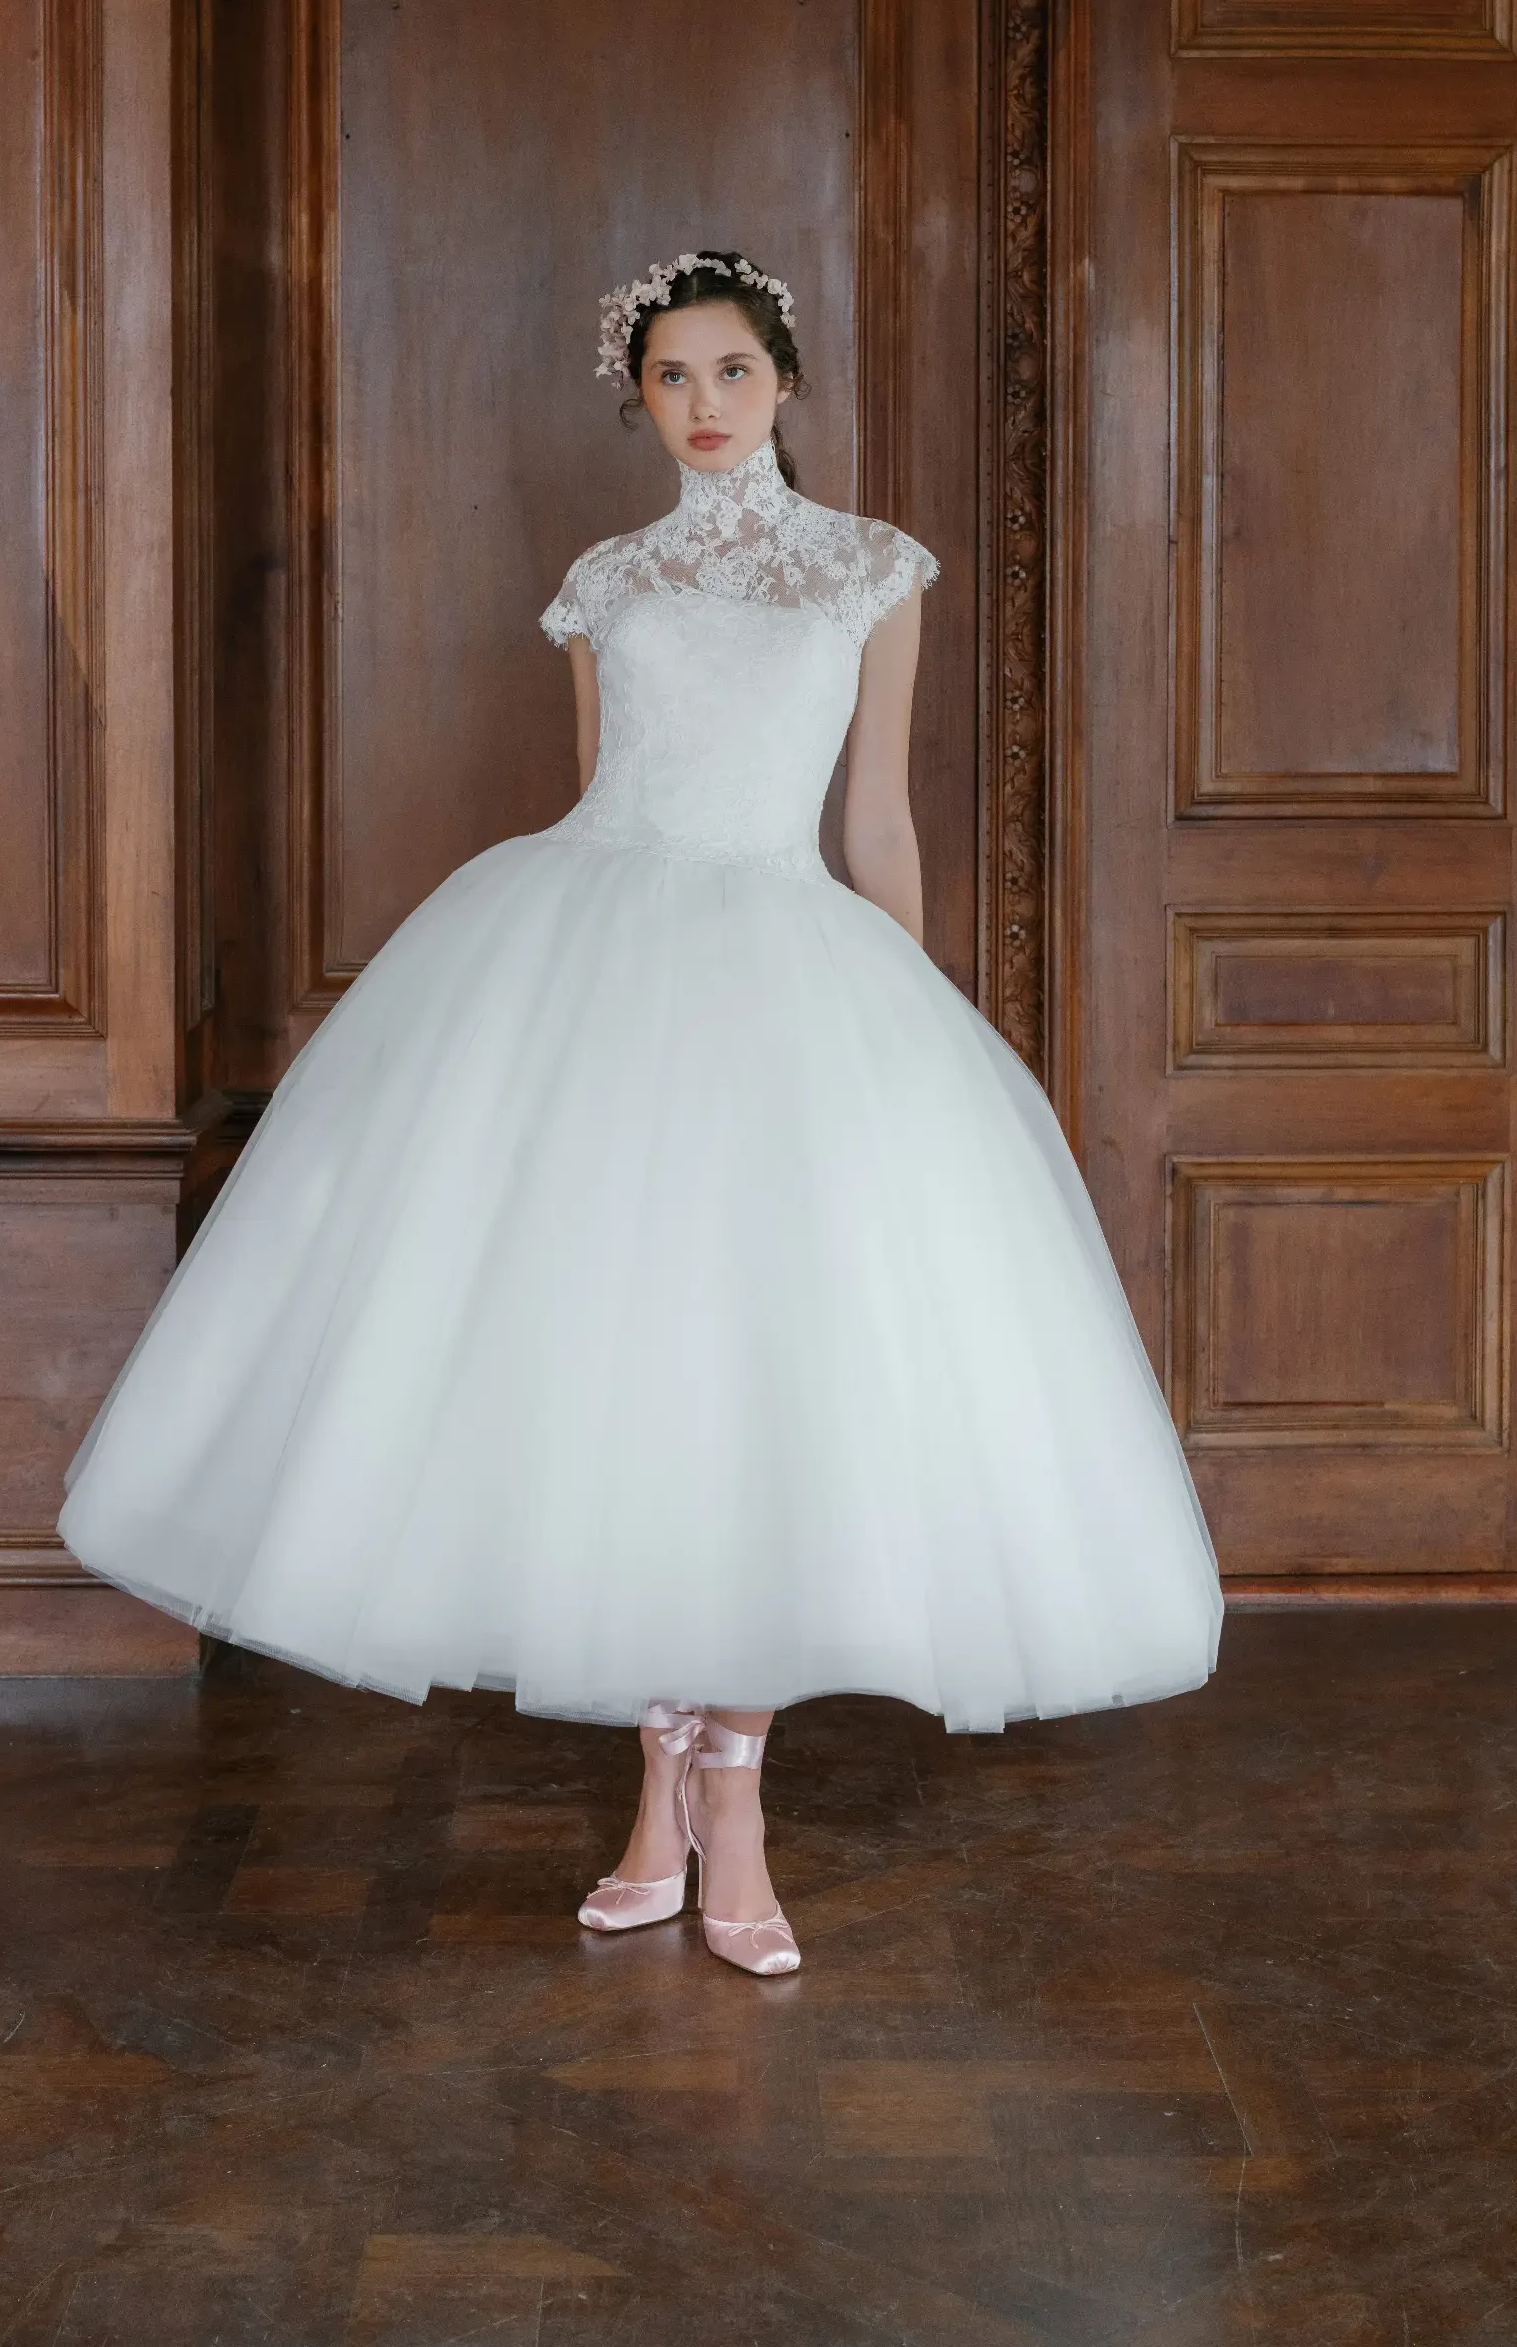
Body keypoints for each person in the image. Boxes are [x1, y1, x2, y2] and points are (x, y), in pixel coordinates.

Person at [59, 247, 1223, 1979]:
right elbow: (604, 791)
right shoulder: (608, 580)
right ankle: (654, 1799)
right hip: (594, 966)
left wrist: (910, 1027)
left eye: (731, 372)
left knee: (763, 1376)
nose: (703, 406)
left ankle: (732, 1802)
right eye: (671, 378)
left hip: (791, 970)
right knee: (622, 1376)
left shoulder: (872, 569)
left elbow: (878, 820)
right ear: (641, 397)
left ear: (786, 381)